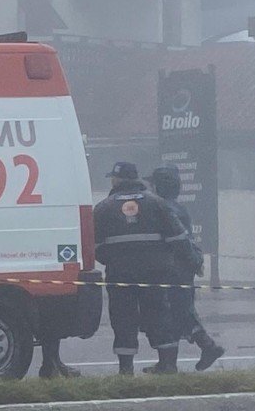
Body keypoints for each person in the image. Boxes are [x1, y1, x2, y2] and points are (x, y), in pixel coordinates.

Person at [91, 160, 191, 375]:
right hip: (154, 272)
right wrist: (187, 261)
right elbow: (179, 237)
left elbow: (95, 246)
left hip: (120, 274)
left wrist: (114, 261)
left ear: (117, 180)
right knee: (159, 314)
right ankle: (168, 364)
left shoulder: (103, 208)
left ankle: (126, 369)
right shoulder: (157, 203)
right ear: (136, 178)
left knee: (123, 318)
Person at [149, 165, 226, 371]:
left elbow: (174, 241)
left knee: (170, 313)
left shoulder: (164, 209)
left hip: (171, 269)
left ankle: (204, 348)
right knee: (179, 312)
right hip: (181, 268)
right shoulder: (178, 208)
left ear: (157, 187)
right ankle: (168, 362)